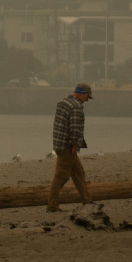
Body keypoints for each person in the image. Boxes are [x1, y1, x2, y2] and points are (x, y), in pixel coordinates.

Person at [47, 82, 93, 212]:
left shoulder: (63, 102)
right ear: (81, 93)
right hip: (68, 146)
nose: (87, 100)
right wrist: (75, 144)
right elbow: (74, 128)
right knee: (61, 176)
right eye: (87, 97)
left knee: (79, 173)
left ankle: (87, 201)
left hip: (59, 143)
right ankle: (52, 205)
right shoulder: (76, 107)